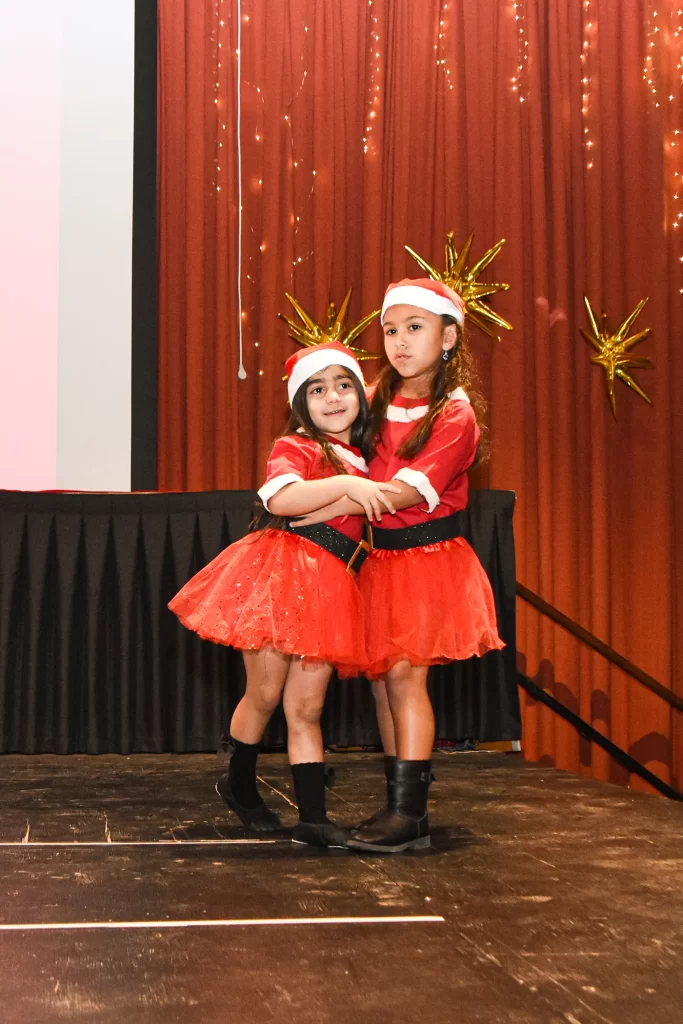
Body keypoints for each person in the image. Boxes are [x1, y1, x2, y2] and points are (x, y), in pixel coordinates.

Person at [291, 280, 504, 852]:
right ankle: (399, 806)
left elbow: (405, 492)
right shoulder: (375, 398)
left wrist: (324, 506)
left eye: (415, 328)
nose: (400, 342)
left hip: (425, 561)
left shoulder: (455, 415)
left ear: (449, 337)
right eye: (390, 330)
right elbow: (328, 441)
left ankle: (410, 814)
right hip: (379, 560)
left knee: (407, 679)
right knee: (384, 686)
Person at [168, 340, 398, 849]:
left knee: (307, 707)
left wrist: (354, 489)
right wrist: (349, 487)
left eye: (343, 385)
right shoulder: (297, 446)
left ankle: (313, 818)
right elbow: (281, 497)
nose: (332, 397)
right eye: (317, 389)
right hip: (279, 579)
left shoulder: (366, 459)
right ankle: (240, 785)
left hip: (331, 589)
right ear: (300, 402)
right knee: (265, 694)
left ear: (360, 394)